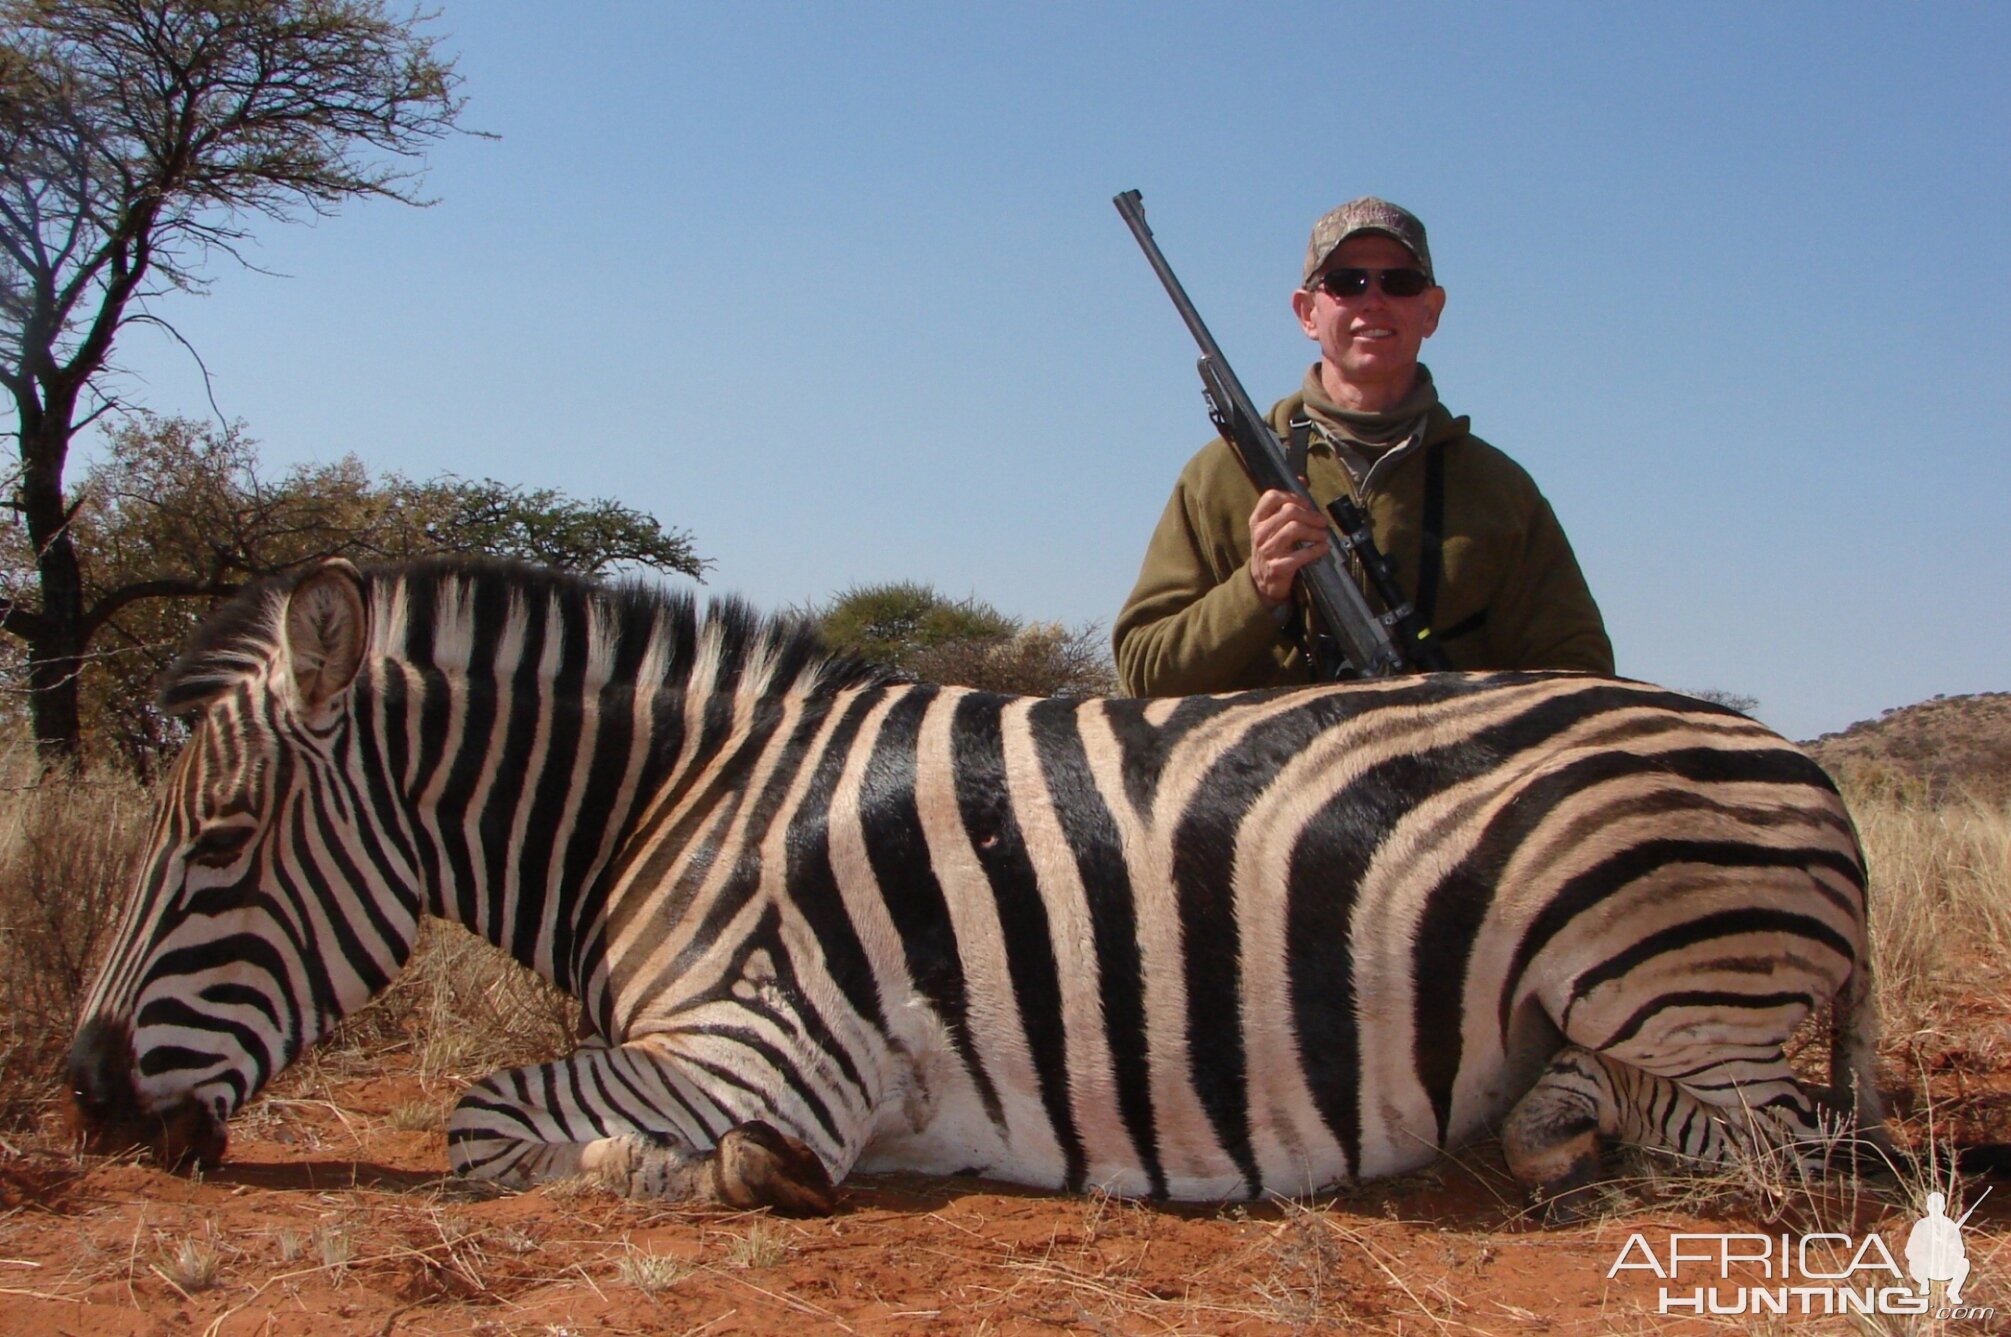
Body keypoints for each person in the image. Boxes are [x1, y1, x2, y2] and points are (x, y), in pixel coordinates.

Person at [1114, 197, 1613, 696]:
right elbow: (1142, 672)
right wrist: (1257, 589)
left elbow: (1580, 673)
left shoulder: (1500, 489)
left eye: (1400, 282)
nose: (1373, 301)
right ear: (1307, 312)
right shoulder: (1220, 476)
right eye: (1345, 283)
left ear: (1431, 311)